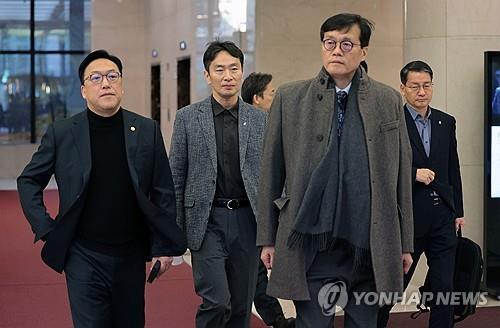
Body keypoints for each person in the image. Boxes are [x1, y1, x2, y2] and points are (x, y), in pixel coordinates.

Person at [256, 13, 414, 328]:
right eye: (330, 43)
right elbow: (271, 172)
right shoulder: (291, 98)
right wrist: (268, 238)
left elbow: (401, 176)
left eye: (346, 44)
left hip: (368, 242)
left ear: (364, 51)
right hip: (312, 241)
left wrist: (405, 242)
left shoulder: (387, 100)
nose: (336, 51)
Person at [17, 49, 187, 328]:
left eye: (112, 76)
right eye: (95, 78)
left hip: (131, 254)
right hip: (83, 254)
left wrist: (163, 246)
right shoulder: (63, 132)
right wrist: (46, 227)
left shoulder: (146, 129)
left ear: (121, 83)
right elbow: (28, 181)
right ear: (84, 90)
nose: (105, 83)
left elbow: (163, 191)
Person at [170, 41, 267, 328]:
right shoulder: (187, 118)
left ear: (241, 72)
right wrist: (174, 232)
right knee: (216, 301)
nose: (227, 76)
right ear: (207, 75)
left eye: (234, 68)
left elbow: (275, 175)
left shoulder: (260, 119)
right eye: (220, 69)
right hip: (206, 220)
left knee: (240, 306)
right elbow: (176, 175)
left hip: (248, 221)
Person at [377, 60, 465, 328]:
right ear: (402, 88)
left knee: (443, 287)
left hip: (443, 217)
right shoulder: (393, 124)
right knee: (394, 287)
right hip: (408, 218)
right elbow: (382, 167)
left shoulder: (445, 122)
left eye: (426, 85)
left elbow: (453, 167)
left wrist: (458, 211)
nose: (421, 91)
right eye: (414, 86)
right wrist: (413, 173)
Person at [241, 72, 295, 328]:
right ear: (257, 99)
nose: (276, 97)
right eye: (272, 93)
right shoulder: (259, 126)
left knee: (257, 272)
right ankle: (277, 320)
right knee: (255, 272)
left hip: (265, 210)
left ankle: (277, 319)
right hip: (252, 211)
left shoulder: (270, 123)